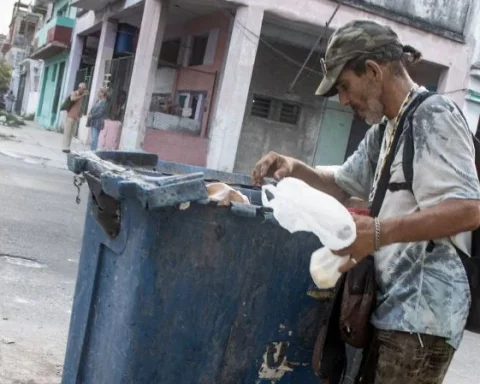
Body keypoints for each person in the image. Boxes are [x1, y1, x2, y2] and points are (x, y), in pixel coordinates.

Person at [253, 20, 480, 383]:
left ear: (373, 71)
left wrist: (377, 231)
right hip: (392, 310)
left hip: (424, 317)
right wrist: (295, 168)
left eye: (345, 86)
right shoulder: (386, 129)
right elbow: (342, 184)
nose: (344, 100)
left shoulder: (434, 115)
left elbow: (469, 209)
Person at [62, 83, 89, 153]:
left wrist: (80, 113)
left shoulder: (81, 96)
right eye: (83, 89)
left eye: (84, 89)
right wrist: (82, 95)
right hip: (70, 116)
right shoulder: (74, 93)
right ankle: (64, 147)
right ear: (79, 88)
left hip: (75, 117)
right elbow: (73, 99)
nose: (83, 91)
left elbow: (79, 106)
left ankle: (67, 147)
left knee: (71, 133)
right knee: (67, 132)